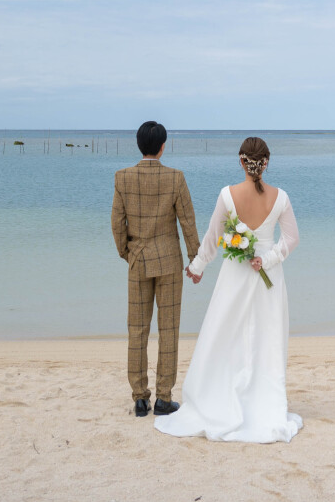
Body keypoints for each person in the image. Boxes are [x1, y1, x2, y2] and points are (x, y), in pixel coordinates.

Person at [154, 136, 303, 443]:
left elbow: (213, 238)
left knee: (227, 334)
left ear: (241, 161)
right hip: (269, 277)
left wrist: (197, 267)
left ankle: (226, 394)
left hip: (235, 275)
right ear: (266, 163)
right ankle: (261, 399)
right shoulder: (281, 197)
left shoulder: (227, 195)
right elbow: (291, 239)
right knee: (266, 337)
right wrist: (267, 259)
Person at [111, 121, 201, 417]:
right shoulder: (175, 178)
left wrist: (127, 253)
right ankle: (163, 398)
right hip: (169, 262)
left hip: (138, 260)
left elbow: (117, 223)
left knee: (137, 330)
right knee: (169, 329)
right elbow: (187, 221)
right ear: (163, 147)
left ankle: (140, 398)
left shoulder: (122, 177)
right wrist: (196, 260)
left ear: (139, 145)